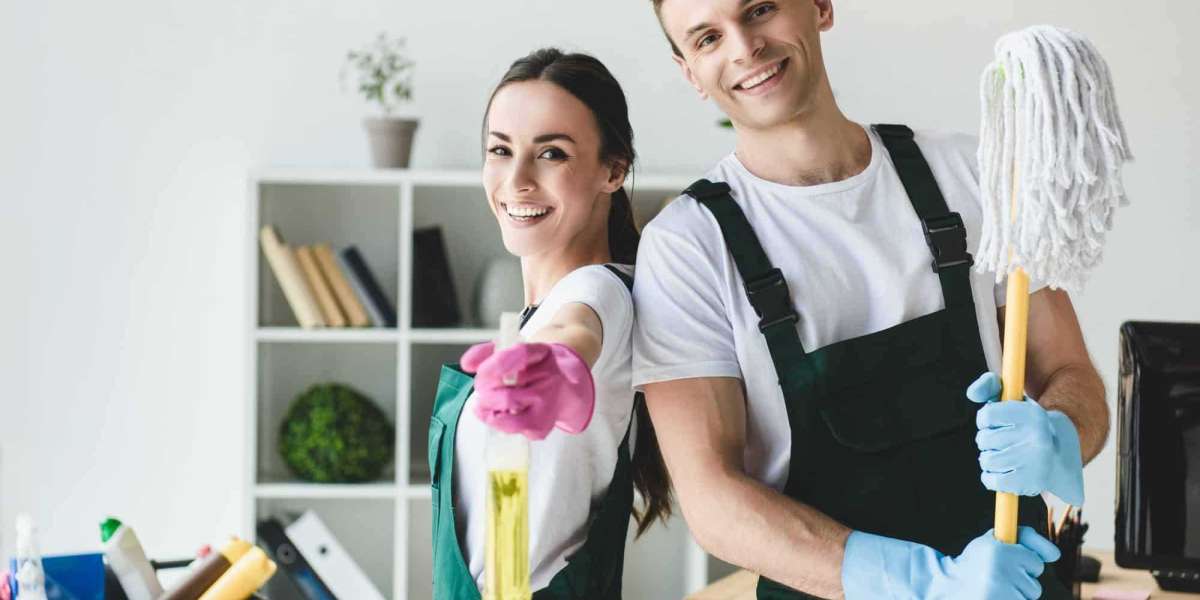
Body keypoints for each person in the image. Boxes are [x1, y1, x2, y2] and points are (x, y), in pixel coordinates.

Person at [632, 1, 1109, 598]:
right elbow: (714, 503)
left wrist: (1058, 433)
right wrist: (925, 585)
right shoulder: (688, 247)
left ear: (820, 8)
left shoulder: (970, 175)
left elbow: (1073, 377)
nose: (743, 47)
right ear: (690, 73)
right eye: (706, 39)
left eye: (759, 9)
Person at [427, 48, 671, 599]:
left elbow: (580, 330)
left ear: (614, 170)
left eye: (552, 154)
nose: (516, 179)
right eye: (499, 149)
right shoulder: (536, 315)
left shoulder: (598, 291)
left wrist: (561, 362)